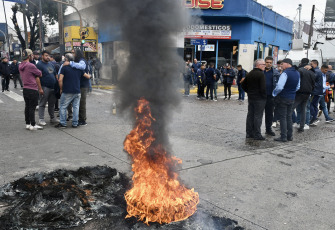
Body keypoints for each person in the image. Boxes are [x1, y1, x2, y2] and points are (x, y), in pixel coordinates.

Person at [56, 53, 91, 128]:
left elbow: (60, 80)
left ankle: (63, 123)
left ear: (66, 59)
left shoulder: (64, 68)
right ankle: (75, 123)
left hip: (67, 90)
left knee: (63, 106)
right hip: (77, 91)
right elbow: (87, 76)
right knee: (76, 107)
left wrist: (61, 89)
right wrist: (90, 74)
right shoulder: (78, 68)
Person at [272, 59, 300, 142]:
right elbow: (298, 87)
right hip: (291, 97)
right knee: (289, 116)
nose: (281, 65)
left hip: (283, 97)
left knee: (282, 117)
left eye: (282, 64)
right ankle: (289, 136)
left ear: (287, 64)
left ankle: (283, 136)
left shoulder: (285, 73)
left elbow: (280, 87)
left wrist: (274, 93)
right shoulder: (297, 73)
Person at [241, 59, 267, 140]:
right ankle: (257, 134)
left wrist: (248, 91)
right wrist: (264, 96)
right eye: (263, 64)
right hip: (259, 98)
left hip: (251, 97)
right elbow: (263, 88)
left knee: (250, 115)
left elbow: (243, 84)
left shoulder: (250, 73)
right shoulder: (261, 74)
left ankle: (249, 133)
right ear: (258, 65)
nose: (265, 66)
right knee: (258, 116)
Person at [19, 49, 44, 131]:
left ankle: (28, 123)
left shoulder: (20, 65)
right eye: (32, 55)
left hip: (25, 88)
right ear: (29, 56)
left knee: (27, 106)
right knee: (32, 107)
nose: (33, 56)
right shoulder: (30, 65)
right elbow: (40, 74)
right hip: (32, 88)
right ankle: (33, 124)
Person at [36, 51, 58, 126]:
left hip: (53, 87)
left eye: (49, 56)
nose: (48, 57)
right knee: (42, 104)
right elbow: (37, 77)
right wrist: (40, 88)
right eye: (46, 55)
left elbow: (55, 75)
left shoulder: (51, 64)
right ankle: (41, 119)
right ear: (42, 56)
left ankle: (52, 118)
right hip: (44, 87)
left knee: (52, 104)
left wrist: (57, 85)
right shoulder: (39, 64)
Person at [292, 58, 315, 132]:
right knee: (303, 110)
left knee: (291, 108)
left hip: (299, 92)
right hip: (307, 93)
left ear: (301, 62)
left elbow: (296, 81)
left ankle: (287, 125)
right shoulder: (312, 72)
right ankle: (302, 126)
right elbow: (313, 83)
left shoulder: (300, 70)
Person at [264, 56, 280, 136]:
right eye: (267, 62)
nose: (268, 64)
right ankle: (256, 129)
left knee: (269, 114)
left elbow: (279, 85)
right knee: (258, 114)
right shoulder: (260, 71)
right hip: (261, 96)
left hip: (271, 96)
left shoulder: (276, 72)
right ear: (264, 62)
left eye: (270, 62)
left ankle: (268, 129)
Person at [308, 60, 325, 126]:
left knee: (311, 104)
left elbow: (312, 79)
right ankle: (315, 118)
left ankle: (314, 118)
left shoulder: (316, 71)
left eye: (311, 64)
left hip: (315, 91)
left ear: (315, 64)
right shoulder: (318, 71)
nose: (310, 65)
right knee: (314, 105)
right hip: (317, 91)